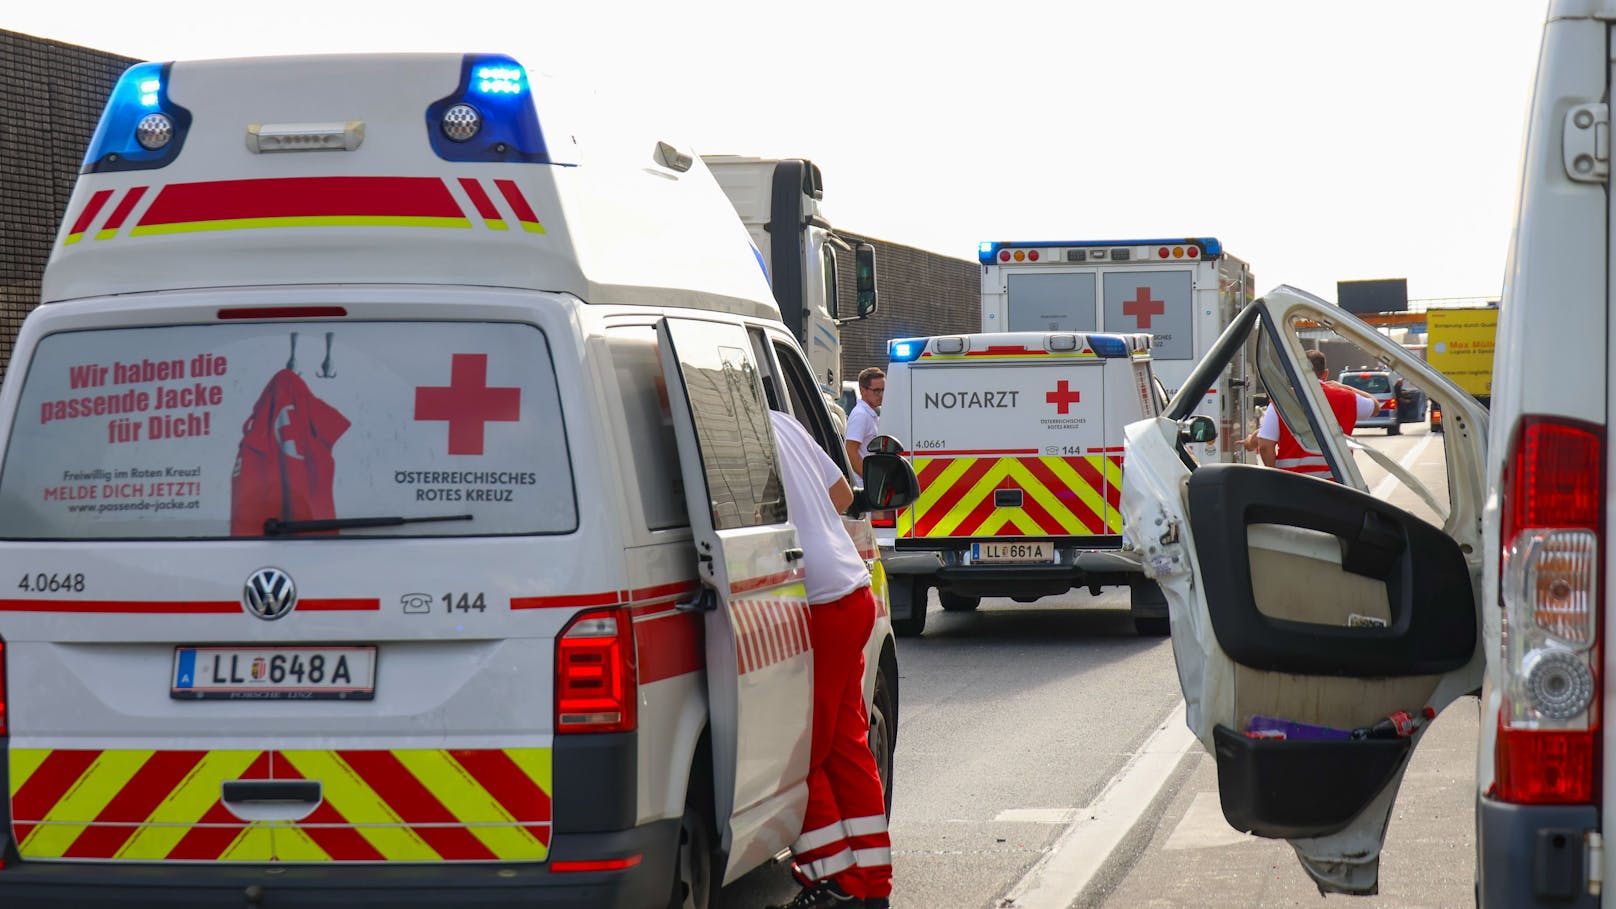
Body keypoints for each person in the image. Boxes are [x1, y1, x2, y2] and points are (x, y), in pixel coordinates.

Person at [768, 408, 892, 909]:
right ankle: (871, 884)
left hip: (815, 601)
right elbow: (843, 494)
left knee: (803, 754)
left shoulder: (729, 424)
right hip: (851, 590)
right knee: (845, 743)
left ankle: (836, 879)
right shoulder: (783, 420)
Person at [1254, 349, 1378, 479]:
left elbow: (1264, 446)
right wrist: (1345, 387)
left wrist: (1275, 479)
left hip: (1292, 486)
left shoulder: (1282, 401)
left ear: (1294, 372)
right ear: (1325, 374)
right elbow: (1375, 407)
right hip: (1337, 485)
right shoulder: (1347, 397)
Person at [844, 367, 884, 475]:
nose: (881, 395)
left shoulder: (870, 414)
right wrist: (868, 479)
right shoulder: (860, 415)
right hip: (863, 486)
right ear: (863, 390)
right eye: (876, 390)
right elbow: (850, 451)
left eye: (883, 390)